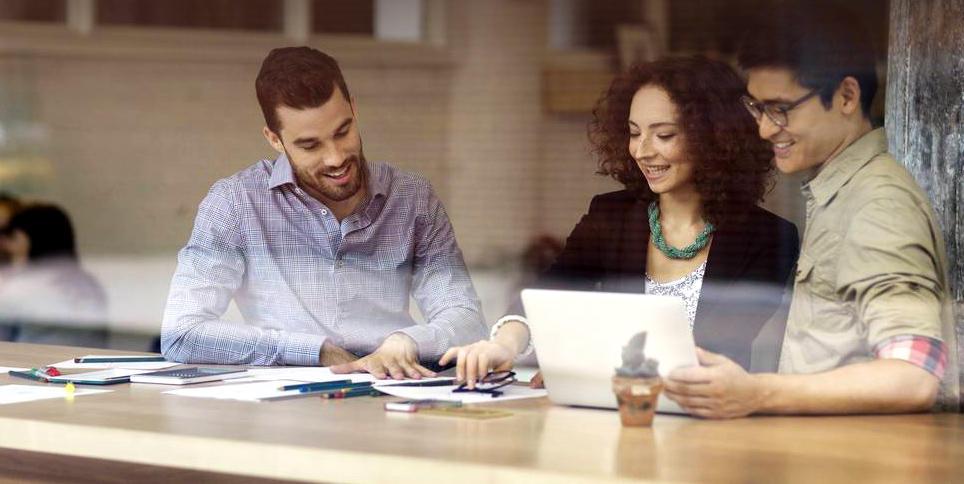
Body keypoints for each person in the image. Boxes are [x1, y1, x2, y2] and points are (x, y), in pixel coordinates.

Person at [663, 0, 960, 418]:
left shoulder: (878, 205)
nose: (765, 129)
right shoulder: (842, 192)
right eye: (757, 108)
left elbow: (913, 375)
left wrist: (756, 393)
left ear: (846, 96)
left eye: (780, 109)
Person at [441, 56, 799, 387]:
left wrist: (582, 367)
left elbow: (708, 351)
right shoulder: (610, 215)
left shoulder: (768, 237)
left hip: (704, 423)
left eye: (664, 135)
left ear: (715, 138)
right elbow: (549, 293)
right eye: (633, 132)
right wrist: (504, 343)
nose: (642, 150)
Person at [161, 46, 486, 379]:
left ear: (354, 109)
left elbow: (466, 320)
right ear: (275, 140)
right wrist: (316, 352)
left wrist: (407, 341)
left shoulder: (413, 199)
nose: (335, 158)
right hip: (292, 406)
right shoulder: (235, 205)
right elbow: (182, 332)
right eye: (310, 145)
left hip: (398, 389)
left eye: (342, 132)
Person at [0, 203, 108, 347]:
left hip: (32, 364)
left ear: (30, 240)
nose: (6, 245)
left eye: (13, 238)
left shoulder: (26, 286)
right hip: (83, 363)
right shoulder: (86, 282)